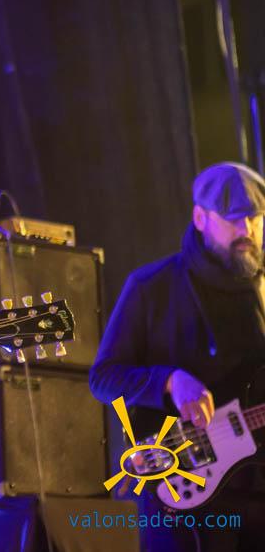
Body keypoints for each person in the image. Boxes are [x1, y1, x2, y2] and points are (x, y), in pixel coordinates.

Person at [90, 161, 265, 552]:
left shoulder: (261, 288)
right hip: (183, 490)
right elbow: (103, 377)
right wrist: (169, 381)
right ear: (200, 218)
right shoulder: (152, 287)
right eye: (233, 219)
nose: (247, 231)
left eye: (255, 218)